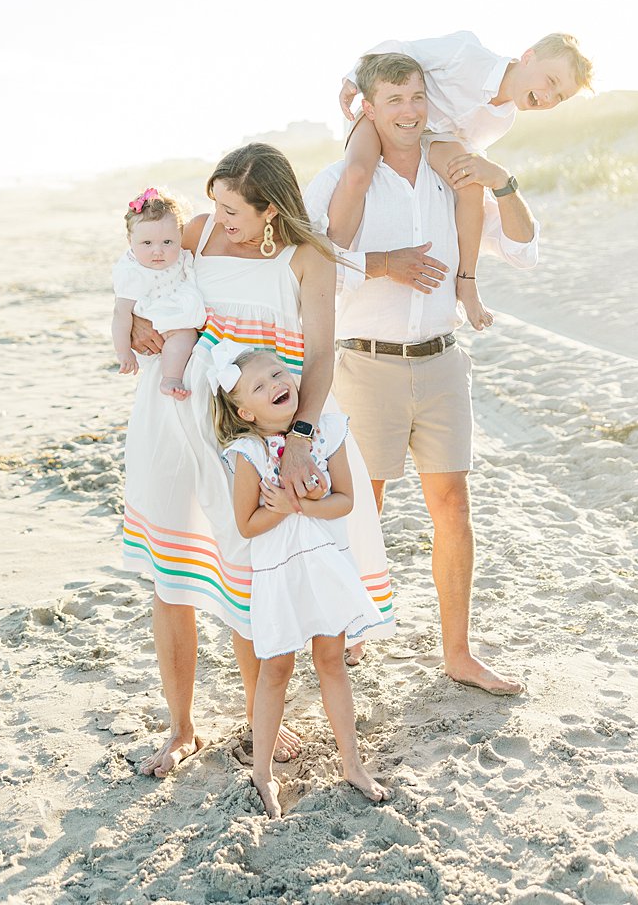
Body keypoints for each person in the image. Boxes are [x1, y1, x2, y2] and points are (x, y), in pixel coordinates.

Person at [124, 144, 395, 777]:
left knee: (248, 568)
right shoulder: (200, 231)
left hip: (262, 425)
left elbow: (322, 357)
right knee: (172, 572)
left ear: (271, 210)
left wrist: (300, 435)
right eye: (214, 204)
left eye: (234, 209)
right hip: (176, 414)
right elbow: (147, 273)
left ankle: (257, 714)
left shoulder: (309, 257)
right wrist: (136, 319)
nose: (218, 218)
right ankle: (182, 728)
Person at [305, 53, 539, 692]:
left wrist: (503, 182)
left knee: (452, 505)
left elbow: (523, 250)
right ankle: (351, 629)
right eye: (393, 101)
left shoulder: (451, 173)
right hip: (366, 364)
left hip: (441, 362)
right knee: (364, 506)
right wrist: (384, 263)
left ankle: (459, 653)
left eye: (416, 98)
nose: (408, 112)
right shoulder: (340, 177)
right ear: (369, 110)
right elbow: (309, 262)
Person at [211, 341, 388, 817]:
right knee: (276, 670)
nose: (277, 384)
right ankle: (263, 771)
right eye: (260, 384)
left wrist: (299, 504)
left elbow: (346, 500)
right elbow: (247, 525)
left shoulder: (326, 432)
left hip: (325, 565)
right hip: (279, 574)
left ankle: (352, 762)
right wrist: (281, 508)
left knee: (331, 660)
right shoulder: (247, 453)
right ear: (245, 411)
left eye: (279, 373)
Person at [329, 31, 591, 331]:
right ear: (529, 57)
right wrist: (353, 77)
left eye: (559, 97)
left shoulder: (503, 119)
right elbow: (401, 49)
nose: (548, 97)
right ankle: (329, 263)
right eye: (551, 82)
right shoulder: (466, 53)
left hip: (432, 136)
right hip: (394, 112)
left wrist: (484, 177)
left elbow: (464, 147)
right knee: (359, 172)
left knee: (470, 185)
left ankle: (466, 282)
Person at [112, 187, 206, 399]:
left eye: (167, 242)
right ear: (130, 241)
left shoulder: (180, 254)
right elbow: (121, 313)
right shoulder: (133, 272)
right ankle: (170, 379)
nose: (158, 250)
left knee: (187, 335)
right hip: (157, 318)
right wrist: (123, 351)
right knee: (184, 335)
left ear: (180, 236)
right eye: (147, 243)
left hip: (176, 307)